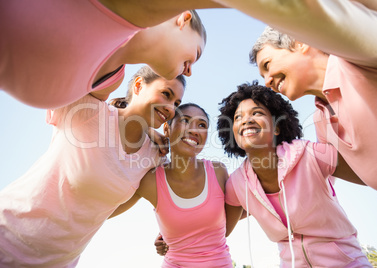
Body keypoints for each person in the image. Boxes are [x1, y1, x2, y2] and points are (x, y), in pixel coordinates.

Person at [212, 0, 377, 204]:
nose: (267, 82)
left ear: (300, 41)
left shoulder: (359, 61)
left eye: (267, 64)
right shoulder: (323, 124)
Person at [0, 66, 185, 267]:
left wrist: (170, 231)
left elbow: (167, 198)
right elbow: (86, 62)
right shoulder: (87, 110)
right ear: (139, 85)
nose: (171, 108)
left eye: (176, 103)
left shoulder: (154, 155)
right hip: (7, 235)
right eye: (166, 94)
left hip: (58, 261)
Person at [217, 82, 371, 267]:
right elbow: (217, 229)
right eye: (238, 117)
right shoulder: (237, 183)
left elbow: (372, 175)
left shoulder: (310, 155)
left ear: (276, 127)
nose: (246, 120)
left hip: (347, 263)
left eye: (256, 113)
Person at [0, 0, 222, 109]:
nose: (190, 71)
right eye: (197, 54)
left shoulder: (110, 82)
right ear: (182, 19)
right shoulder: (127, 7)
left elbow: (102, 121)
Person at [110, 103, 235, 268]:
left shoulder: (218, 172)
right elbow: (104, 212)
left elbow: (235, 209)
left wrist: (183, 233)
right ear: (167, 130)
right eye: (185, 121)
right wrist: (147, 129)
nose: (194, 130)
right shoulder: (150, 181)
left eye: (202, 125)